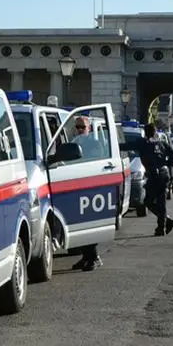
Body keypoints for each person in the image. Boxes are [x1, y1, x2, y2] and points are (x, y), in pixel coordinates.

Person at [70, 116, 107, 271]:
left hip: (91, 186)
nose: (79, 130)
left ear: (89, 128)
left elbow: (97, 162)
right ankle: (87, 256)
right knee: (79, 222)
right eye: (77, 127)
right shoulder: (73, 143)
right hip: (76, 185)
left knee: (89, 222)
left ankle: (92, 258)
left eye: (82, 127)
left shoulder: (95, 143)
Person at [140, 123, 173, 237]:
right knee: (161, 203)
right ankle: (164, 225)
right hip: (163, 174)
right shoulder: (162, 143)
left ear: (145, 133)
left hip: (153, 176)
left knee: (148, 201)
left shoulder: (144, 144)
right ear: (155, 132)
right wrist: (165, 164)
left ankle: (164, 225)